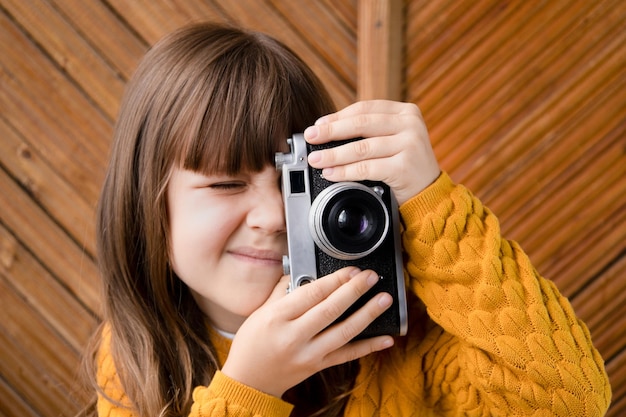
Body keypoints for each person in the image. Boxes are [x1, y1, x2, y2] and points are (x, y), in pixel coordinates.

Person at [81, 22, 611, 417]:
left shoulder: (396, 338)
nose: (271, 217)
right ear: (147, 205)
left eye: (297, 186)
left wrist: (432, 202)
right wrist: (250, 386)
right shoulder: (136, 353)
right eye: (226, 184)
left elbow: (572, 399)